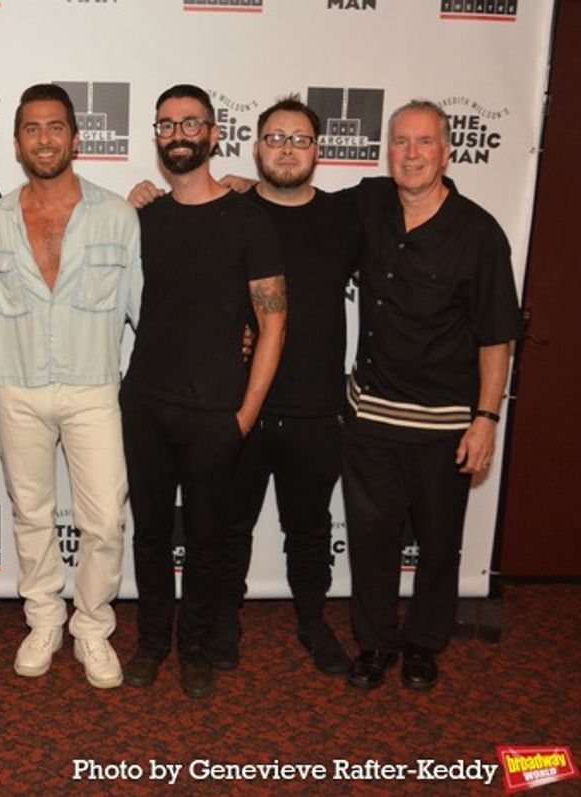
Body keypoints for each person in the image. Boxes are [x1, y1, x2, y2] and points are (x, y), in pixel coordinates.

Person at [342, 101, 521, 691]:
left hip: (445, 426)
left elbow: (496, 336)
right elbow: (301, 209)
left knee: (440, 545)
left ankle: (423, 643)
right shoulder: (369, 203)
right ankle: (375, 642)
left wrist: (487, 418)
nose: (411, 154)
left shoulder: (479, 233)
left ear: (446, 152)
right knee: (371, 542)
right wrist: (242, 185)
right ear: (387, 152)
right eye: (400, 142)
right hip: (371, 417)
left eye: (424, 143)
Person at [121, 85, 286, 698]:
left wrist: (245, 414)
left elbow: (273, 322)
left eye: (191, 123)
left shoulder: (248, 219)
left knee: (208, 540)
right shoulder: (143, 219)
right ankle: (151, 642)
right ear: (157, 136)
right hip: (144, 405)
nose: (178, 134)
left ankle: (193, 646)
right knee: (150, 536)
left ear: (214, 135)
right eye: (167, 125)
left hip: (217, 413)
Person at [0, 84, 141, 689]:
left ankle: (92, 627)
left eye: (55, 127)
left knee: (104, 521)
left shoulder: (118, 216)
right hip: (16, 387)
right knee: (32, 516)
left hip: (94, 389)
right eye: (32, 128)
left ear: (75, 139)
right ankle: (44, 619)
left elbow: (146, 312)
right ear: (17, 141)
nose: (44, 139)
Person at [215, 96, 360, 677]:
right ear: (256, 147)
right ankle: (223, 620)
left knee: (310, 528)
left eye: (300, 140)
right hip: (243, 405)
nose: (287, 150)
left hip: (317, 408)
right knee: (230, 526)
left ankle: (313, 621)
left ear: (318, 150)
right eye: (276, 138)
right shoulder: (230, 211)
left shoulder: (345, 218)